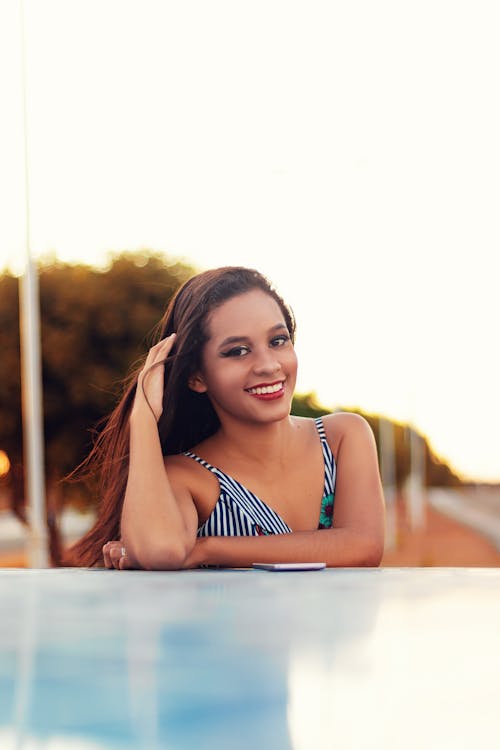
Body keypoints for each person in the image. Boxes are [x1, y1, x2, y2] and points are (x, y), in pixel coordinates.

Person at [68, 266, 385, 570]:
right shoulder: (187, 476)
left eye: (278, 341)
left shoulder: (343, 436)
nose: (268, 365)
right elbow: (160, 550)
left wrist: (207, 548)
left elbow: (363, 546)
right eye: (237, 351)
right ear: (196, 376)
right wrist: (143, 418)